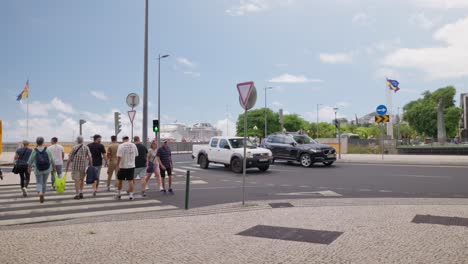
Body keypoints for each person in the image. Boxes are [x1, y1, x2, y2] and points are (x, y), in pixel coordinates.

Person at [27, 137, 56, 203]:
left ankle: (40, 193)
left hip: (38, 169)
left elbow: (30, 161)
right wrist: (54, 168)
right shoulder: (47, 150)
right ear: (43, 142)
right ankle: (43, 194)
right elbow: (52, 160)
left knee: (39, 182)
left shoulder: (34, 150)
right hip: (47, 169)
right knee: (44, 182)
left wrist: (29, 169)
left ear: (37, 142)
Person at [115, 136, 138, 200]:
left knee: (120, 180)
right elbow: (136, 155)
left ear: (123, 139)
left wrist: (117, 165)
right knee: (130, 180)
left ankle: (119, 194)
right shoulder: (133, 145)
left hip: (122, 166)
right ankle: (131, 195)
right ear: (128, 139)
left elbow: (119, 156)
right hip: (131, 166)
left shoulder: (121, 146)